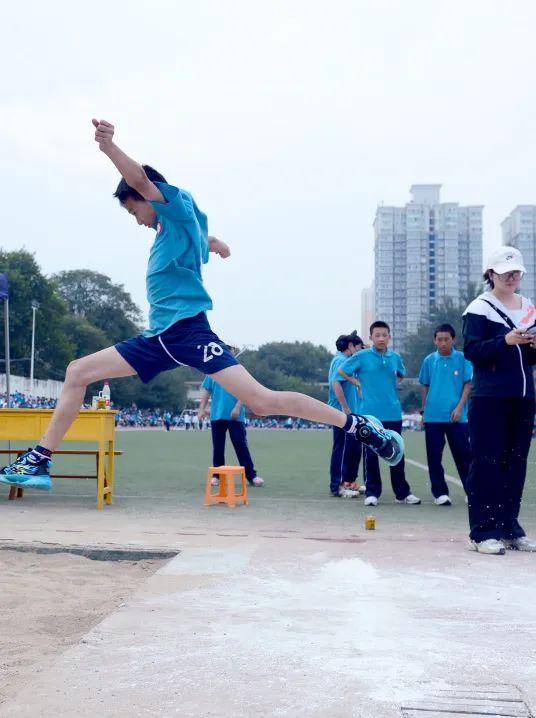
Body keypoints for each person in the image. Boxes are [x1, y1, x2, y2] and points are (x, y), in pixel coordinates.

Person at [0, 119, 403, 491]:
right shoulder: (177, 229)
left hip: (189, 332)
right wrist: (216, 245)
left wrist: (109, 148)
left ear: (147, 198)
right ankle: (39, 459)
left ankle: (361, 428)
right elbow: (199, 239)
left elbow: (140, 178)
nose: (135, 219)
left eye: (133, 209)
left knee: (262, 401)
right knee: (77, 373)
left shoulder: (173, 209)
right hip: (157, 338)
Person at [463, 246, 536, 555]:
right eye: (505, 272)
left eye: (516, 272)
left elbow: (529, 358)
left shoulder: (529, 307)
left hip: (522, 397)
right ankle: (482, 532)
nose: (512, 277)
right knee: (487, 463)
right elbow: (473, 351)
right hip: (489, 398)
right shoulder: (479, 309)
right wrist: (504, 340)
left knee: (515, 464)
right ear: (491, 274)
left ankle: (510, 527)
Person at [338, 321, 421, 506]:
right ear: (371, 337)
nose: (381, 338)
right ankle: (373, 492)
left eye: (385, 335)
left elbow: (401, 374)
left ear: (389, 337)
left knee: (397, 453)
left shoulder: (395, 358)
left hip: (392, 412)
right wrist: (356, 382)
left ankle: (402, 493)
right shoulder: (361, 356)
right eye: (377, 335)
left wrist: (390, 387)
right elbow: (341, 371)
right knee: (371, 455)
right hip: (370, 415)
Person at [418, 323, 473, 505]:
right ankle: (440, 493)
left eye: (446, 339)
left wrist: (459, 408)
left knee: (464, 456)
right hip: (433, 417)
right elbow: (424, 385)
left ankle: (471, 490)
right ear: (435, 340)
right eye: (439, 339)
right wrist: (424, 411)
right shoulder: (428, 361)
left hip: (457, 417)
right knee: (434, 457)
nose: (443, 343)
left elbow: (468, 384)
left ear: (453, 339)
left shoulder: (463, 359)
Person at [198, 369, 264, 487]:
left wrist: (237, 407)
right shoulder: (211, 371)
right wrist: (201, 409)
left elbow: (245, 391)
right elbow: (207, 391)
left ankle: (251, 476)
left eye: (231, 349)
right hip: (217, 414)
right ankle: (217, 475)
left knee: (241, 445)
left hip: (235, 415)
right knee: (218, 447)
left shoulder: (237, 370)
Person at [328, 332, 364, 497]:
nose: (360, 350)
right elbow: (336, 384)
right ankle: (338, 486)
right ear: (350, 346)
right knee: (341, 449)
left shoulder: (343, 360)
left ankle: (347, 482)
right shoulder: (341, 361)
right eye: (359, 347)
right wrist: (345, 408)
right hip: (341, 413)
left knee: (350, 448)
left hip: (348, 413)